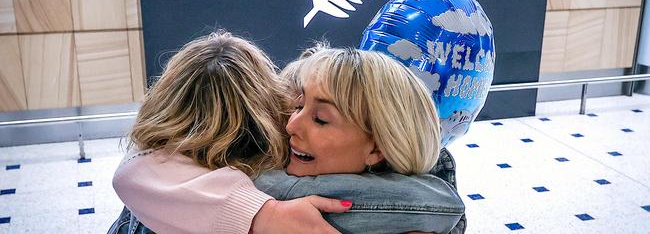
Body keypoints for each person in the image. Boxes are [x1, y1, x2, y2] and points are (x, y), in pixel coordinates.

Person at [110, 32, 465, 234]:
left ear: (380, 148)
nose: (292, 125)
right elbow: (445, 207)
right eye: (296, 107)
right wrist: (263, 215)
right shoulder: (257, 166)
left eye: (320, 118)